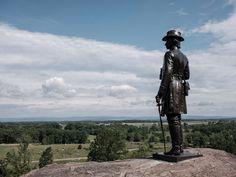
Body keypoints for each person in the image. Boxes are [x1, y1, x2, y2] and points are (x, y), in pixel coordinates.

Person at [156, 30, 190, 155]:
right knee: (177, 119)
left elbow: (167, 73)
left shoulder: (169, 54)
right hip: (180, 88)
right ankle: (179, 147)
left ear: (171, 41)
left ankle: (176, 148)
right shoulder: (184, 57)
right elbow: (187, 75)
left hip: (171, 88)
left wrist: (160, 92)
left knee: (173, 119)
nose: (165, 44)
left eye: (166, 41)